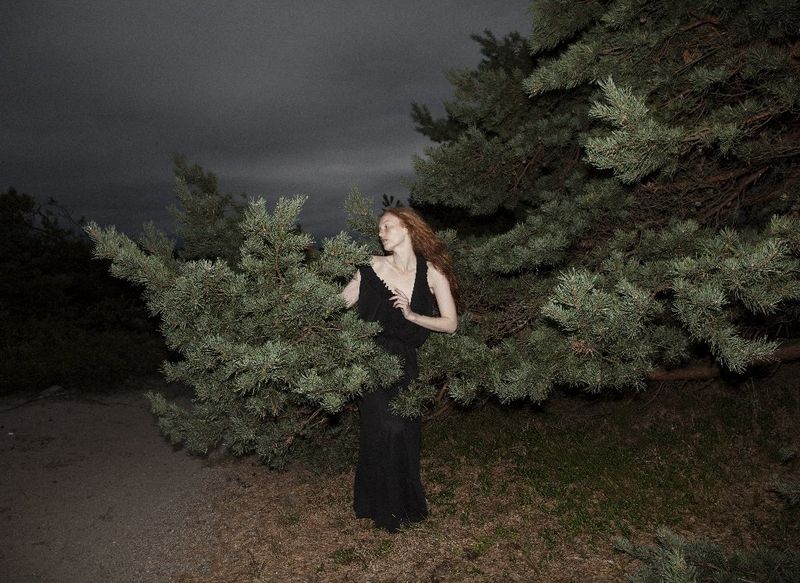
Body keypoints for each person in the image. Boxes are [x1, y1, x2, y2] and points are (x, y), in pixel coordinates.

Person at [340, 207, 459, 532]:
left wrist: (413, 315)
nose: (381, 233)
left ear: (408, 227)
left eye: (387, 226)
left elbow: (450, 324)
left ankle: (402, 505)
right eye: (379, 228)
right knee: (384, 428)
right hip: (370, 360)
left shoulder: (432, 272)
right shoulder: (369, 266)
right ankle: (382, 509)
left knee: (405, 432)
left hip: (406, 363)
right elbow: (338, 303)